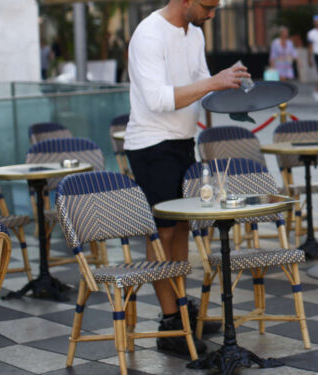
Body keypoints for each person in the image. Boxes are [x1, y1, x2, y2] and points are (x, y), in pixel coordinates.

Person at [124, 0, 250, 355]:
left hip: (182, 141)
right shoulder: (149, 34)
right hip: (150, 144)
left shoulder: (194, 34)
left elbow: (200, 86)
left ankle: (180, 308)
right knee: (163, 230)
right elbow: (158, 99)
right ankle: (170, 321)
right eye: (208, 5)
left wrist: (229, 84)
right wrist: (213, 81)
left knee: (181, 228)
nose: (213, 13)